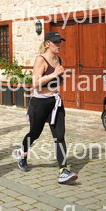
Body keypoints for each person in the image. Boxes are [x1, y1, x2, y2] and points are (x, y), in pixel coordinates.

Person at [17, 31, 78, 184]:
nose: (59, 45)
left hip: (55, 102)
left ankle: (63, 171)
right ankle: (22, 154)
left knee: (60, 136)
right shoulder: (41, 59)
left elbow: (57, 81)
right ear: (47, 44)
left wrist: (56, 85)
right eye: (55, 42)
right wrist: (54, 74)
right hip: (40, 103)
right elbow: (36, 83)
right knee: (35, 133)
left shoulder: (59, 59)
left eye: (60, 42)